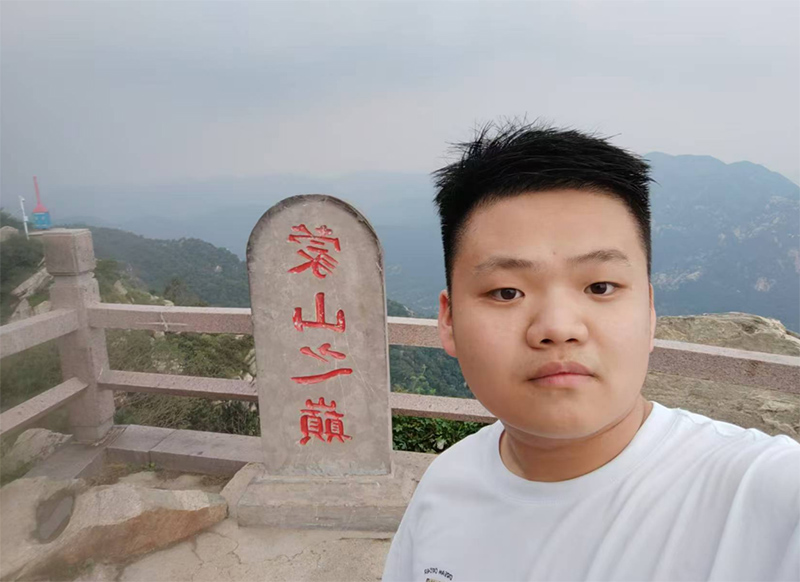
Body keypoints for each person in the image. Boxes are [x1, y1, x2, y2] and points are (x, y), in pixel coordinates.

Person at [382, 120, 800, 582]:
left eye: (600, 286)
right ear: (449, 321)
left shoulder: (766, 497)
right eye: (506, 292)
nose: (558, 328)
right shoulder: (445, 486)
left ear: (649, 310)